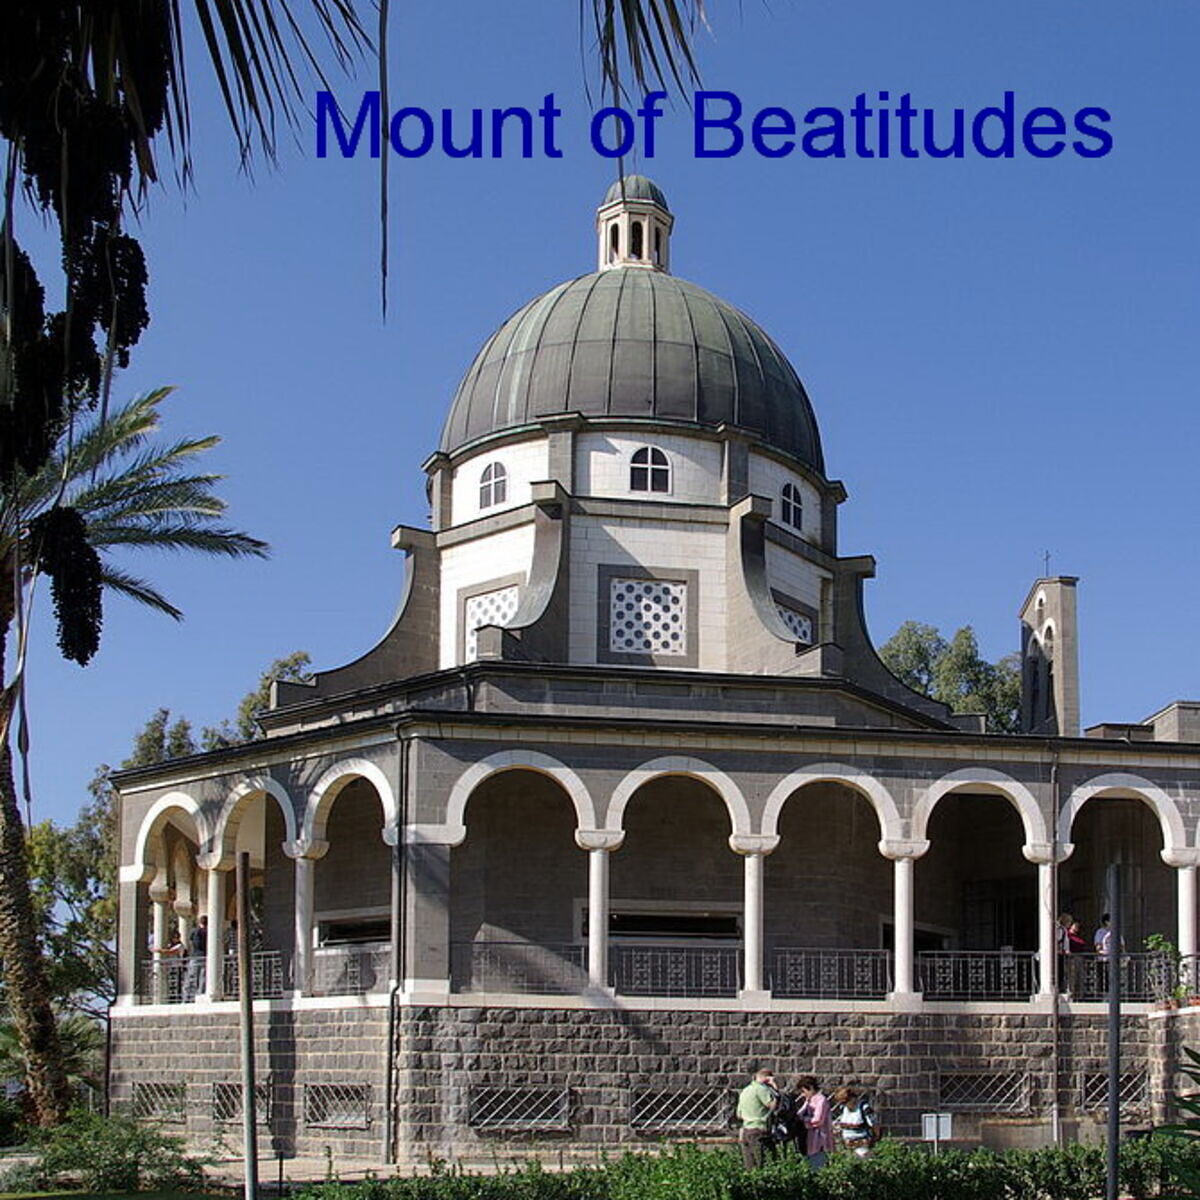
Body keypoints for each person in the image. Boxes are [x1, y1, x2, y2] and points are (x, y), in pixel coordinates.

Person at [736, 1068, 777, 1170]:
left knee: (750, 1167)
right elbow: (773, 1105)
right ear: (767, 1079)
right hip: (759, 1131)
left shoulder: (745, 1091)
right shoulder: (761, 1089)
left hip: (746, 1131)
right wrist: (775, 1088)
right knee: (764, 1164)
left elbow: (739, 1115)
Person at [795, 1075, 834, 1168]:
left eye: (804, 1091)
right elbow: (799, 1114)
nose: (803, 1094)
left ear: (811, 1088)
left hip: (820, 1140)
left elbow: (818, 1119)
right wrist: (805, 1103)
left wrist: (805, 1120)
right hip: (809, 1140)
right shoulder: (809, 1101)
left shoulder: (821, 1100)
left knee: (818, 1166)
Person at [831, 1085, 878, 1157]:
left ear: (852, 1098)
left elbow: (876, 1127)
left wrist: (871, 1143)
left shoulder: (864, 1108)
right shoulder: (843, 1109)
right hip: (847, 1147)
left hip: (862, 1148)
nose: (845, 1105)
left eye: (845, 1102)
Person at [184, 914, 208, 1001]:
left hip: (195, 956)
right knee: (203, 977)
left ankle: (187, 997)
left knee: (192, 977)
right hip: (205, 957)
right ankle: (200, 995)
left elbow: (191, 943)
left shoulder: (194, 931)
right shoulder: (208, 932)